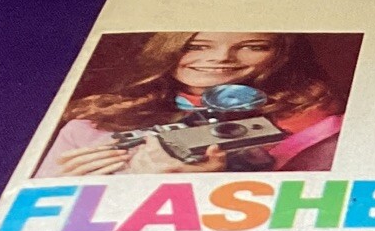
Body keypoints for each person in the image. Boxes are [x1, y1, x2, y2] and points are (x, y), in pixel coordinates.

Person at [35, 31, 347, 176]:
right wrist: (64, 191)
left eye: (253, 46)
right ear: (168, 50)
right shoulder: (91, 127)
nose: (221, 58)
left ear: (281, 54)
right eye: (197, 46)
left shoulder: (320, 128)